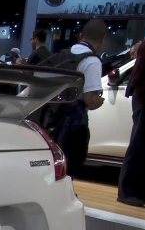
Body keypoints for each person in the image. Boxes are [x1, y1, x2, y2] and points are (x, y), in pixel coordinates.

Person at [37, 19, 108, 176]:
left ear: (81, 35)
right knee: (70, 165)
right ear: (103, 39)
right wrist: (100, 100)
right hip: (72, 121)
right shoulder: (92, 61)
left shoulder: (62, 54)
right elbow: (90, 100)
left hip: (49, 117)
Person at [117, 39, 145, 207]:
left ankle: (138, 192)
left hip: (143, 98)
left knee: (142, 146)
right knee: (138, 144)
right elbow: (139, 77)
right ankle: (127, 192)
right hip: (144, 100)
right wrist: (143, 99)